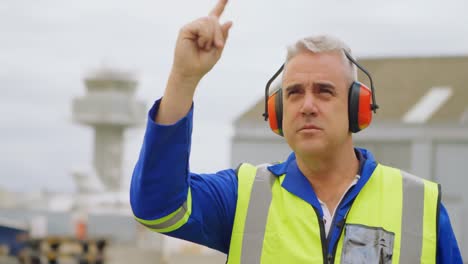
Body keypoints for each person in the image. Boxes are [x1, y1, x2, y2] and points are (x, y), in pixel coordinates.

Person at [130, 0, 463, 262]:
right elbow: (158, 208)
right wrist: (184, 78)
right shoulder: (243, 197)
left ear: (356, 107)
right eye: (294, 93)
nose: (307, 105)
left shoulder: (419, 205)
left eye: (324, 91)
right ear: (277, 111)